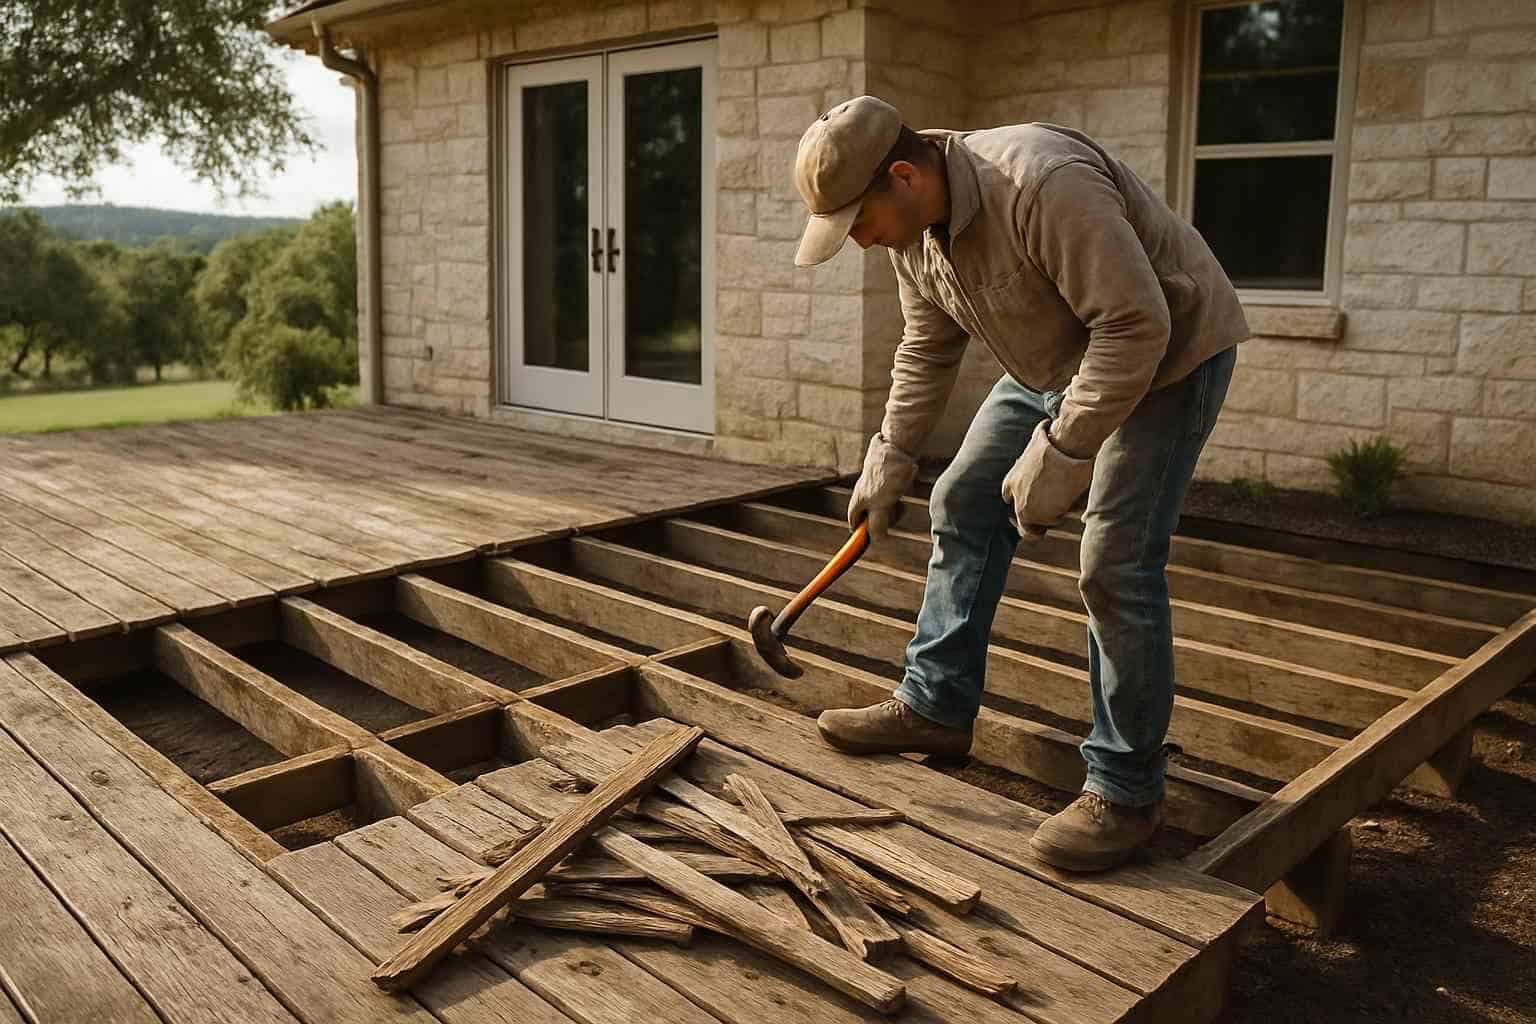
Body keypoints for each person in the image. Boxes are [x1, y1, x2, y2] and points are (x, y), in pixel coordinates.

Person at [792, 95, 1249, 873]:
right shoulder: (915, 236)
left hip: (1166, 355)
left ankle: (1126, 789)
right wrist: (889, 456)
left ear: (902, 176)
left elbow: (1137, 326)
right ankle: (934, 703)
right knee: (962, 498)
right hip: (1057, 358)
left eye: (858, 223)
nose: (860, 244)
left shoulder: (1040, 183)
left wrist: (1064, 451)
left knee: (1114, 564)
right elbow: (927, 346)